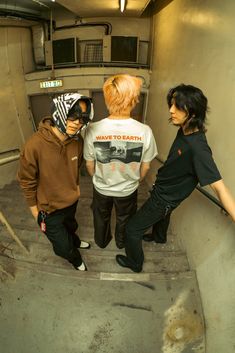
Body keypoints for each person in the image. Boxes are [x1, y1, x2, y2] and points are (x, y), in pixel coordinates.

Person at [116, 84, 235, 273]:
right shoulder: (184, 129)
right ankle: (159, 237)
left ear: (193, 113)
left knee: (132, 229)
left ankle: (135, 263)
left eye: (177, 107)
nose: (171, 111)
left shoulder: (199, 149)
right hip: (167, 194)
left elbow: (220, 188)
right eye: (171, 105)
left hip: (163, 199)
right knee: (164, 215)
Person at [18, 93, 94, 271]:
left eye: (82, 118)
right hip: (48, 210)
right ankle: (75, 260)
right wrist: (36, 214)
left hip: (70, 202)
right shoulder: (34, 145)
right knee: (62, 247)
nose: (77, 122)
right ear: (59, 112)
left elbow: (76, 168)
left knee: (71, 228)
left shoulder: (78, 141)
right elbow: (26, 181)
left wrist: (75, 189)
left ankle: (75, 241)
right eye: (72, 115)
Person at [84, 74, 158, 249]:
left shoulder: (92, 129)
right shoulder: (144, 131)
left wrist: (100, 178)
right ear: (132, 99)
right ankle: (121, 242)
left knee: (100, 217)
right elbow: (146, 166)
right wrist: (136, 180)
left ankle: (101, 242)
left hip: (101, 188)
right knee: (125, 218)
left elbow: (89, 164)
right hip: (127, 189)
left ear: (108, 98)